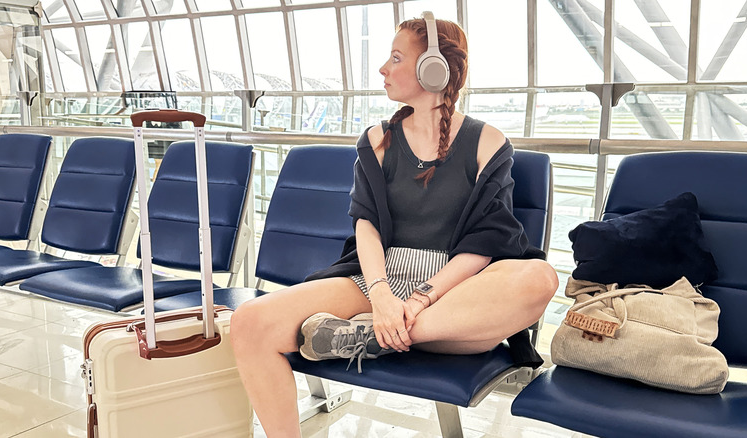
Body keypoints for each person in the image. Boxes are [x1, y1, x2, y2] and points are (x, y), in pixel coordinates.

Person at [230, 12, 558, 437]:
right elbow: (365, 224)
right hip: (377, 279)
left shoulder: (487, 141)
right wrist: (383, 296)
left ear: (432, 69)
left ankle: (369, 338)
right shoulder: (377, 141)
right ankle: (374, 332)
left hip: (455, 293)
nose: (384, 69)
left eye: (396, 58)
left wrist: (419, 300)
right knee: (249, 322)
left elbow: (486, 240)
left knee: (540, 277)